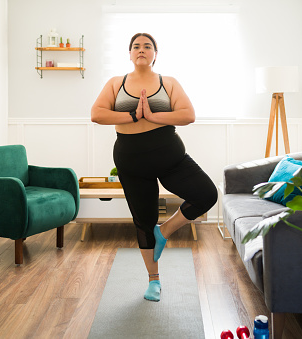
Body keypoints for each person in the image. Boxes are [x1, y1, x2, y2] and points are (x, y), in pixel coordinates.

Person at [91, 33, 218, 302]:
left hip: (171, 158)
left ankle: (166, 231)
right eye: (136, 46)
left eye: (147, 46)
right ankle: (153, 280)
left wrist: (152, 116)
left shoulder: (168, 82)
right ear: (129, 54)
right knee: (144, 221)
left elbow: (187, 114)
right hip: (131, 161)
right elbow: (97, 113)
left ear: (155, 54)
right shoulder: (116, 83)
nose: (141, 50)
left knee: (207, 194)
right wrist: (134, 115)